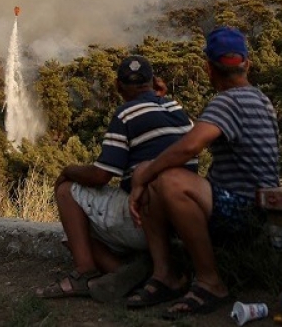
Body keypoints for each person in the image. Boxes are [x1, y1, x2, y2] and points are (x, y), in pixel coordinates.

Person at [127, 26, 280, 320]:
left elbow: (189, 147)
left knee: (168, 180)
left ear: (208, 68)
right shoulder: (258, 98)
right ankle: (165, 276)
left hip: (244, 208)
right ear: (247, 63)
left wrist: (142, 176)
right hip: (252, 203)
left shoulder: (229, 100)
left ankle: (211, 283)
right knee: (156, 175)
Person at [36, 55, 197, 302]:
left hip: (144, 218)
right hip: (182, 219)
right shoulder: (176, 109)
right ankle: (133, 272)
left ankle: (84, 273)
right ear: (153, 82)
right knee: (77, 227)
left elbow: (101, 175)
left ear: (118, 86)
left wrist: (68, 170)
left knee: (68, 194)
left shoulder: (125, 115)